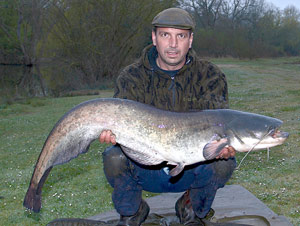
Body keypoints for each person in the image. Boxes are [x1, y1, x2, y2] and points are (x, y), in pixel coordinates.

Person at [99, 8, 236, 226]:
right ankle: (132, 211)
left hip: (192, 168)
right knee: (113, 156)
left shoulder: (210, 76)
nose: (173, 44)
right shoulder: (132, 77)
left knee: (224, 162)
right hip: (145, 166)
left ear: (190, 40)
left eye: (180, 36)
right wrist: (113, 134)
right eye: (165, 35)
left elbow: (218, 127)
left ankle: (191, 207)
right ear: (154, 38)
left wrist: (221, 147)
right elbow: (119, 127)